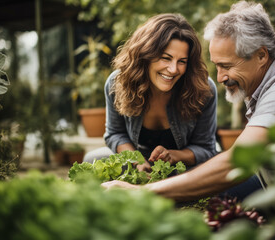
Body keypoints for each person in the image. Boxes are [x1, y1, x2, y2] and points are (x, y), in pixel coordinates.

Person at [101, 2, 275, 239]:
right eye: (217, 66)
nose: (221, 77)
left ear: (261, 55)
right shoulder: (263, 84)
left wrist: (142, 191)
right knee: (188, 203)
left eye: (227, 66)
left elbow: (237, 161)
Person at [83, 13, 218, 172]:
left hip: (182, 167)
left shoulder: (203, 89)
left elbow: (205, 148)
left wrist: (173, 156)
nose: (173, 69)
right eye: (166, 58)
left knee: (216, 171)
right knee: (92, 160)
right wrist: (136, 160)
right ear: (146, 54)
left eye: (182, 61)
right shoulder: (118, 83)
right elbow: (115, 134)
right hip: (137, 162)